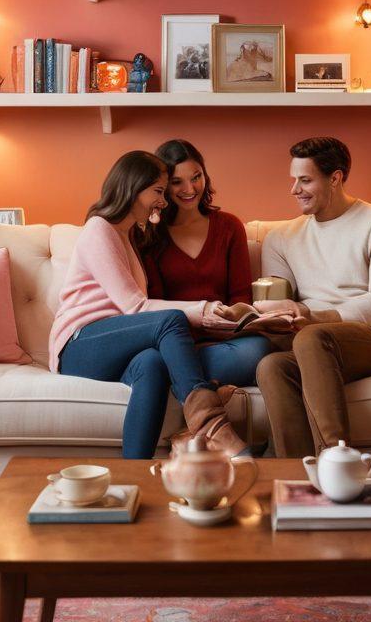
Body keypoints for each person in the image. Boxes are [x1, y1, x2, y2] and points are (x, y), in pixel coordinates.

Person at [50, 150, 248, 459]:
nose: (164, 200)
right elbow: (136, 307)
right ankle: (210, 426)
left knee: (152, 364)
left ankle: (135, 472)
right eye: (158, 191)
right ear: (133, 188)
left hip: (113, 342)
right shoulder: (98, 230)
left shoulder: (127, 236)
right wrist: (202, 311)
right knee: (170, 319)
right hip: (79, 343)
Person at [255, 137, 371, 457]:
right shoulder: (280, 239)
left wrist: (314, 317)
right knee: (272, 365)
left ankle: (337, 460)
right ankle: (296, 477)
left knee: (312, 338)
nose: (294, 190)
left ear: (336, 178)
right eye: (293, 180)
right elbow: (282, 309)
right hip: (310, 342)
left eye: (305, 180)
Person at [145, 139, 277, 388]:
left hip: (227, 340)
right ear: (162, 186)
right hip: (176, 342)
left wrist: (233, 316)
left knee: (258, 350)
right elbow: (155, 304)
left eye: (196, 177)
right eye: (177, 182)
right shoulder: (152, 234)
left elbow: (240, 296)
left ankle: (187, 382)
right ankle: (202, 386)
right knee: (151, 360)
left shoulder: (229, 226)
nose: (189, 188)